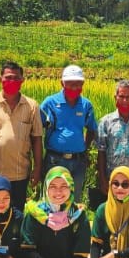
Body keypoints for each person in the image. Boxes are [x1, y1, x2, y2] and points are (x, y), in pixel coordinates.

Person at [0, 61, 44, 211]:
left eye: (16, 78)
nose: (12, 81)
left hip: (20, 174)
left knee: (16, 214)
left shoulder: (31, 106)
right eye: (8, 78)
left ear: (22, 80)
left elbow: (37, 139)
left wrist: (37, 168)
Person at [40, 64, 97, 203]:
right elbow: (37, 128)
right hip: (55, 159)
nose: (74, 88)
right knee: (53, 200)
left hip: (78, 161)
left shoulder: (85, 105)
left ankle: (72, 224)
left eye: (78, 84)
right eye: (71, 84)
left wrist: (85, 147)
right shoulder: (50, 103)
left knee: (74, 200)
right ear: (62, 83)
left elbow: (91, 129)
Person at [94, 79, 129, 208]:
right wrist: (103, 180)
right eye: (121, 96)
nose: (124, 101)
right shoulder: (106, 122)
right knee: (113, 215)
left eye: (128, 97)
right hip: (113, 179)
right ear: (115, 97)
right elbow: (101, 152)